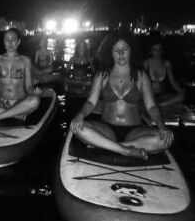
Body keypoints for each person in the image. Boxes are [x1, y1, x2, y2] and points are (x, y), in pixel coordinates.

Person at [71, 31, 174, 160]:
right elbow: (91, 102)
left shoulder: (141, 76)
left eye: (124, 49)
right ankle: (125, 150)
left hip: (134, 131)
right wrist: (80, 115)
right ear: (110, 53)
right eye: (116, 50)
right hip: (106, 128)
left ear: (131, 51)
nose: (120, 54)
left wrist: (161, 126)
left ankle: (109, 145)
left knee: (166, 140)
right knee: (78, 128)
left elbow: (151, 106)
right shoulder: (102, 75)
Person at [144, 42, 185, 107]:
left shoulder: (167, 64)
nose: (158, 52)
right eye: (155, 49)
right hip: (149, 95)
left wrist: (180, 90)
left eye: (160, 50)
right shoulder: (146, 64)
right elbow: (141, 81)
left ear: (162, 51)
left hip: (163, 96)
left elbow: (172, 82)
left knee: (182, 96)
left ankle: (160, 105)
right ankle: (157, 104)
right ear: (151, 51)